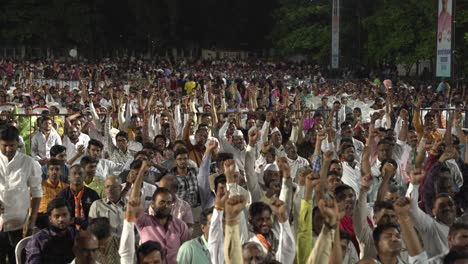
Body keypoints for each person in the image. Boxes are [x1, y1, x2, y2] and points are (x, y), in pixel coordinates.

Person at [0, 125, 43, 264]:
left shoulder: (28, 162)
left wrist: (32, 221)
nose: (8, 149)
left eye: (12, 145)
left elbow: (36, 193)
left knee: (17, 260)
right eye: (4, 145)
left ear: (18, 143)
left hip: (19, 224)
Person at [25, 198, 75, 264]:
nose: (61, 219)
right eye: (57, 216)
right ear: (50, 219)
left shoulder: (74, 234)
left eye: (64, 215)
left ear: (70, 216)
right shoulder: (38, 240)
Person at [37, 159, 69, 229]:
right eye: (51, 169)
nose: (54, 172)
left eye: (57, 169)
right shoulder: (39, 187)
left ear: (61, 172)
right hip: (43, 218)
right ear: (48, 172)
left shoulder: (66, 188)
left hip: (61, 216)